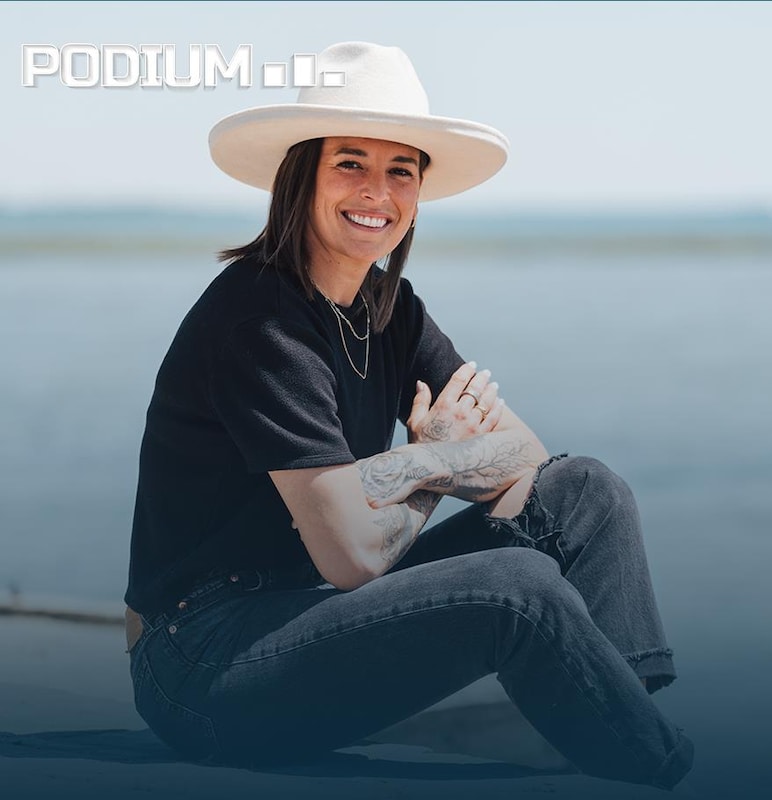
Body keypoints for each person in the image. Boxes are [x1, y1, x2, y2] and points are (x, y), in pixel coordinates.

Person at [124, 41, 693, 789]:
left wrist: (431, 460)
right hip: (203, 662)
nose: (377, 191)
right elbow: (353, 557)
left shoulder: (391, 310)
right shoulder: (260, 322)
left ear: (418, 191)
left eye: (401, 170)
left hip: (307, 612)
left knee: (585, 492)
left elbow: (526, 459)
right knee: (515, 588)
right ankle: (666, 769)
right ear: (302, 177)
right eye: (350, 163)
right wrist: (431, 460)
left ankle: (620, 727)